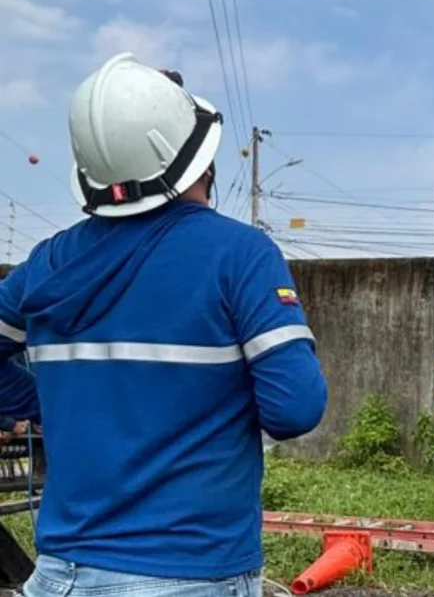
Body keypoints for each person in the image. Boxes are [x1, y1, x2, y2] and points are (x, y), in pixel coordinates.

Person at [0, 52, 328, 597]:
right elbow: (295, 407)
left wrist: (44, 405)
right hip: (194, 572)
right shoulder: (239, 255)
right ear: (202, 158)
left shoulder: (46, 263)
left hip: (59, 576)